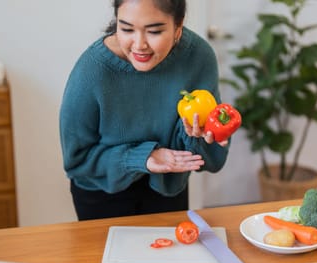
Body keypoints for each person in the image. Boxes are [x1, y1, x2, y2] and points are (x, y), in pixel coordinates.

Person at [59, 0, 230, 220]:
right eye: (126, 29)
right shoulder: (92, 71)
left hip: (168, 188)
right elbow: (77, 161)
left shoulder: (198, 57)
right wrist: (142, 158)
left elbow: (213, 159)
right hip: (103, 194)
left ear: (178, 27)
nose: (139, 45)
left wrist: (201, 137)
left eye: (154, 31)